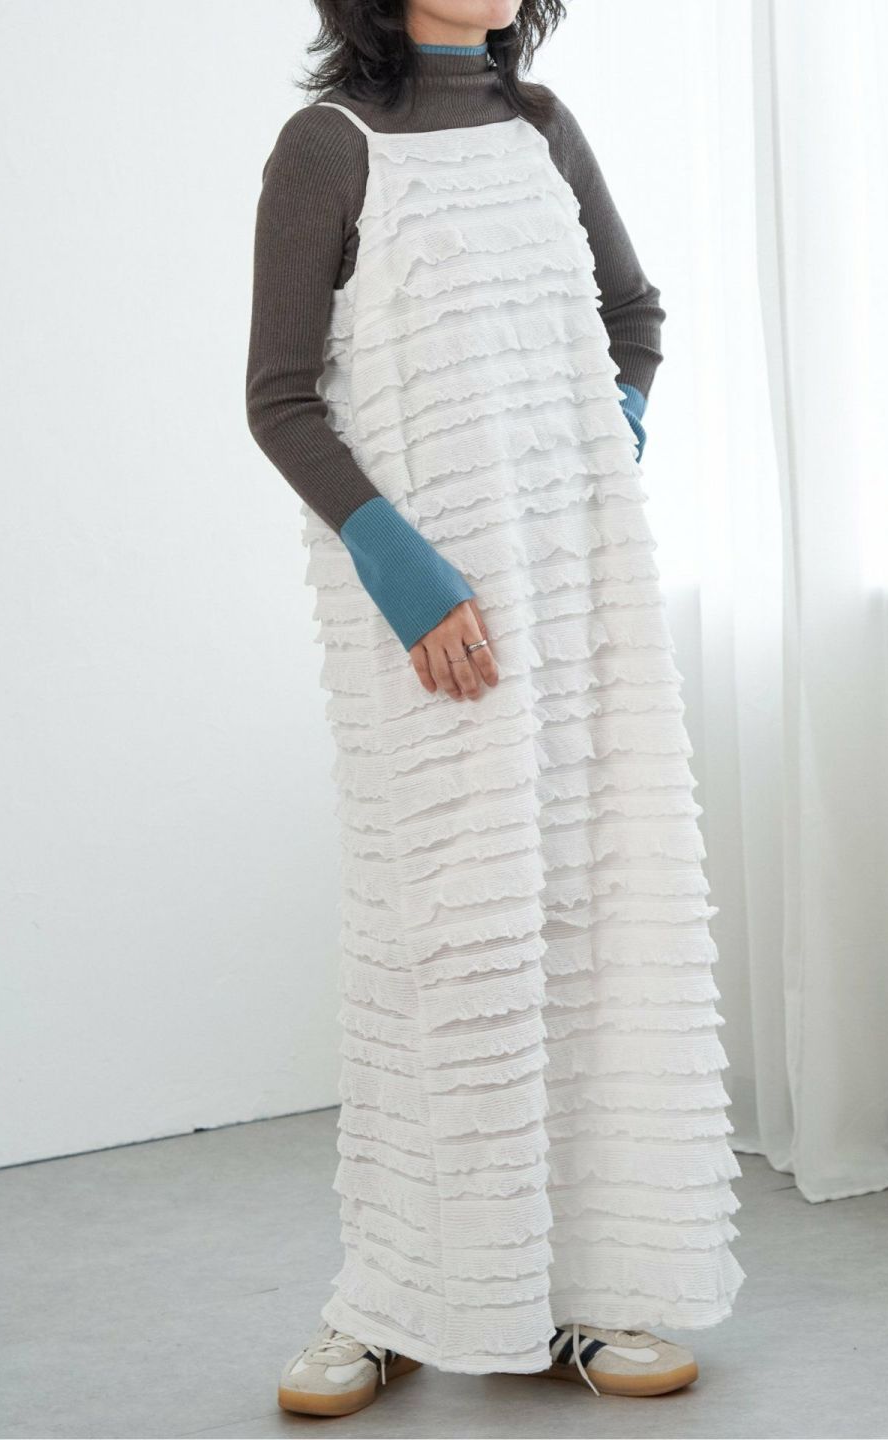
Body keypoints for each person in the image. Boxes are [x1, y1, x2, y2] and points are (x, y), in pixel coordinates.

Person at [246, 0, 744, 1418]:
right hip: (429, 620)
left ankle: (589, 1288)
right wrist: (406, 578)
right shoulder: (329, 147)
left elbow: (633, 318)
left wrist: (606, 441)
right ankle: (395, 1295)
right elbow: (280, 398)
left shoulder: (538, 126)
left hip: (579, 590)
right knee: (446, 939)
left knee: (590, 919)